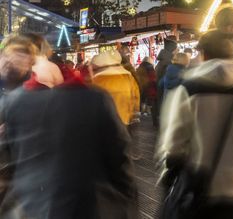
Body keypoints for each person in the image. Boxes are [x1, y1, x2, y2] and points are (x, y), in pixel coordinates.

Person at [157, 31, 233, 218]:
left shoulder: (189, 90)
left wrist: (169, 182)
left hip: (197, 190)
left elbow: (174, 147)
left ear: (204, 54)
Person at [0, 55, 137, 217]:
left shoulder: (14, 102)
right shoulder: (95, 97)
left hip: (32, 204)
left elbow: (9, 159)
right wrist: (127, 194)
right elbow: (119, 155)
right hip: (87, 203)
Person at [91, 49, 141, 126]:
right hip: (124, 118)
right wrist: (133, 112)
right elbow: (135, 96)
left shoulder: (97, 80)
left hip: (105, 120)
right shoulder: (128, 76)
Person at [153, 35, 178, 129]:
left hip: (161, 98)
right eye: (176, 49)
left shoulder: (162, 62)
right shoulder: (168, 63)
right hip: (164, 98)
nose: (178, 51)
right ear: (172, 49)